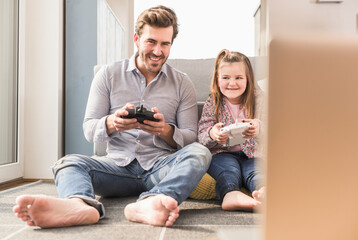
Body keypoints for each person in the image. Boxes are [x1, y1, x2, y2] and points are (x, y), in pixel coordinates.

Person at [13, 5, 211, 228]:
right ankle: (79, 205)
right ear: (136, 39)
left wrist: (164, 130)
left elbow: (191, 137)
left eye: (165, 44)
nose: (158, 51)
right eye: (151, 42)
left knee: (200, 152)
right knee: (68, 162)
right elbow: (89, 128)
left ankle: (152, 201)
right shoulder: (108, 75)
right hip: (116, 169)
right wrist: (112, 122)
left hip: (159, 168)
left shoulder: (182, 83)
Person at [197, 49, 265, 211]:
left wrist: (259, 127)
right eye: (226, 78)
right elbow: (201, 135)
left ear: (248, 79)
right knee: (227, 171)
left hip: (254, 154)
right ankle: (230, 194)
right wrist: (213, 134)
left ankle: (264, 191)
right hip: (222, 153)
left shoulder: (259, 100)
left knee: (256, 171)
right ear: (217, 79)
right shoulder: (213, 102)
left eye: (239, 78)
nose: (232, 83)